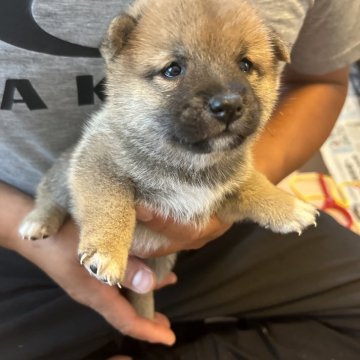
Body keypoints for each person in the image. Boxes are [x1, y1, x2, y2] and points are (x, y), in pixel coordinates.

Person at [1, 0, 360, 358]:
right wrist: (23, 229)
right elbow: (98, 170)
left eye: (245, 64)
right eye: (173, 70)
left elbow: (321, 82)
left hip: (221, 225)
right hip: (28, 235)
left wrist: (243, 187)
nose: (228, 98)